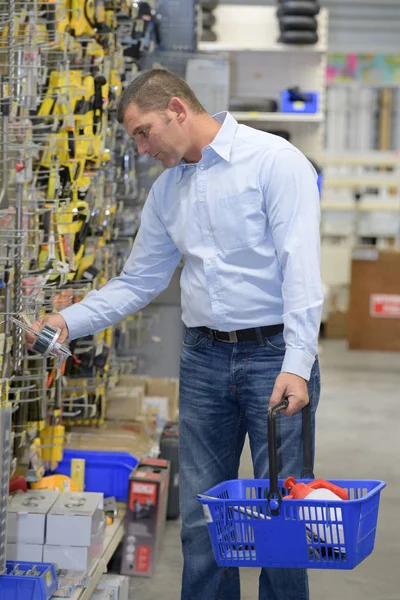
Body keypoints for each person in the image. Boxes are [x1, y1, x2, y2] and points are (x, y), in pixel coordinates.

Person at [28, 69, 322, 600]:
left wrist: (298, 363)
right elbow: (139, 281)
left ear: (178, 110)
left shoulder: (274, 162)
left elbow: (301, 268)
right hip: (204, 359)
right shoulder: (167, 193)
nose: (141, 148)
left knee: (282, 515)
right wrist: (69, 320)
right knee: (202, 516)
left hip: (275, 357)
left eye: (144, 132)